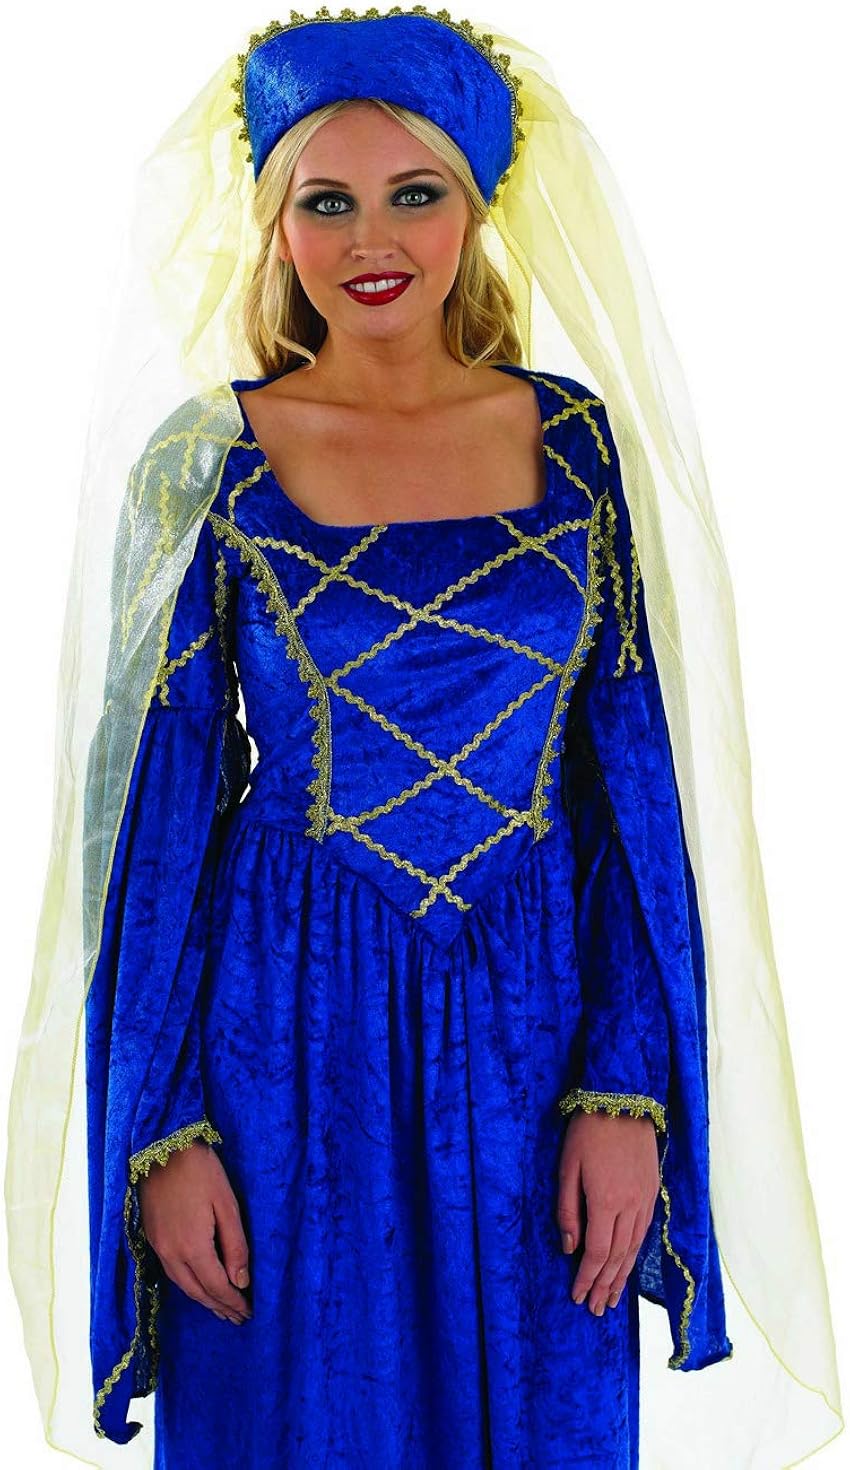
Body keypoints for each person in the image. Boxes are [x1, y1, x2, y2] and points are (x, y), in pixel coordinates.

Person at [5, 8, 844, 1468]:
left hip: (536, 1027)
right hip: (282, 1032)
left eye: (415, 193)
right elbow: (146, 820)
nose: (371, 239)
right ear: (275, 223)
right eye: (325, 201)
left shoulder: (572, 445)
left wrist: (626, 1089)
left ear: (477, 206)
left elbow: (627, 794)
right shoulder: (206, 462)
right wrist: (166, 1125)